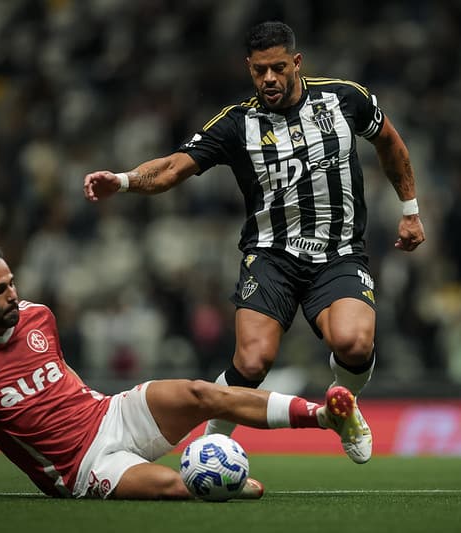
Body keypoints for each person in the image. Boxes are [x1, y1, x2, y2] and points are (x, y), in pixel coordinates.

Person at [83, 21, 425, 464]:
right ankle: (210, 446)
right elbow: (172, 168)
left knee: (354, 344)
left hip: (337, 254)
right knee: (251, 362)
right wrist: (124, 181)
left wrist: (410, 210)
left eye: (278, 68)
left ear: (296, 63)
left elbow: (390, 142)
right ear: (249, 67)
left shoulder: (344, 99)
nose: (269, 79)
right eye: (259, 70)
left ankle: (346, 408)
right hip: (270, 257)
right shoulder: (235, 124)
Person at [0, 248, 369, 499]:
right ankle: (228, 485)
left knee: (199, 392)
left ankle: (326, 417)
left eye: (12, 283)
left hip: (110, 414)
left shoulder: (38, 315)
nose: (11, 295)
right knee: (174, 486)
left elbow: (60, 380)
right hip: (81, 468)